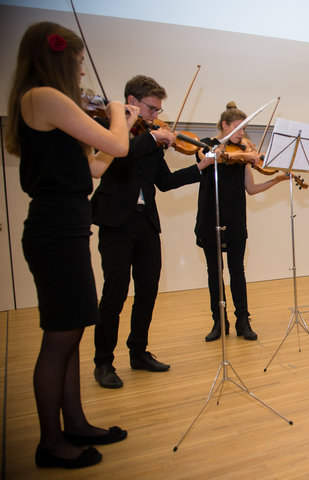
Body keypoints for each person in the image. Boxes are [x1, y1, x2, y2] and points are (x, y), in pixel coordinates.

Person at [6, 22, 140, 468]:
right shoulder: (42, 97)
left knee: (71, 331)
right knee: (58, 338)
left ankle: (75, 423)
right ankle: (50, 443)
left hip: (68, 226)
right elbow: (118, 146)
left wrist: (128, 122)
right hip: (55, 229)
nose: (82, 73)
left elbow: (98, 167)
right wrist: (120, 111)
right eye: (79, 63)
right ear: (58, 56)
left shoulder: (55, 106)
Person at [91, 75, 213, 389]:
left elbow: (166, 182)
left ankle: (138, 351)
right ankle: (103, 362)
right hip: (116, 220)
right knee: (114, 294)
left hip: (146, 221)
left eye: (158, 110)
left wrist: (200, 167)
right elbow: (116, 158)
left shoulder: (150, 137)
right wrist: (153, 138)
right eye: (152, 109)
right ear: (132, 101)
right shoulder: (111, 129)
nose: (156, 116)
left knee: (147, 291)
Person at [195, 102, 289, 341]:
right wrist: (246, 153)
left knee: (237, 270)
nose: (242, 133)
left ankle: (243, 321)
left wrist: (276, 180)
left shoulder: (242, 156)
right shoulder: (206, 144)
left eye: (244, 129)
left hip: (235, 217)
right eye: (238, 128)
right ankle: (219, 322)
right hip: (210, 217)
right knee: (214, 272)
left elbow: (252, 188)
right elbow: (207, 158)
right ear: (224, 125)